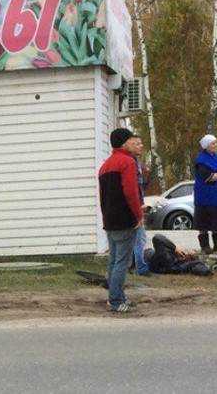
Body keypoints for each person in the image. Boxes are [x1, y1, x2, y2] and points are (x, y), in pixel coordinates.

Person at [98, 128, 143, 312]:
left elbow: (103, 196)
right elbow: (131, 192)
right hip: (125, 218)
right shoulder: (127, 162)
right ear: (125, 143)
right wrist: (138, 215)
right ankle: (116, 300)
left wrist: (105, 217)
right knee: (122, 262)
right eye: (133, 141)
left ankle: (115, 296)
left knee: (114, 260)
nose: (137, 144)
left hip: (110, 219)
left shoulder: (105, 165)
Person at [193, 135, 217, 254]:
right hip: (204, 196)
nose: (215, 145)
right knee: (203, 224)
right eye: (213, 143)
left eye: (215, 143)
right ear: (206, 145)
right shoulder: (201, 160)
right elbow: (208, 177)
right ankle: (205, 247)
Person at [131, 136, 151, 276]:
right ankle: (141, 268)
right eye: (137, 144)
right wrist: (138, 206)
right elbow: (132, 188)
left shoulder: (137, 162)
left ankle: (132, 265)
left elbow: (141, 186)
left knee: (135, 238)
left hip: (138, 203)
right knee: (139, 238)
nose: (141, 146)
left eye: (141, 143)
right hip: (134, 205)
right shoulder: (130, 163)